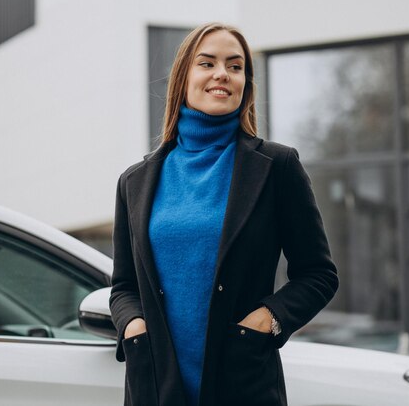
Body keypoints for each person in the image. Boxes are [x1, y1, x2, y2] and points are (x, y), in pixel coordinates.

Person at [109, 22, 338, 406]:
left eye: (236, 66)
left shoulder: (277, 167)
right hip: (155, 387)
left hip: (243, 384)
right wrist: (133, 325)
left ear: (246, 83)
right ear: (184, 77)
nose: (222, 74)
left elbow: (318, 274)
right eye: (207, 63)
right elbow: (123, 287)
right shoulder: (134, 181)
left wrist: (267, 321)